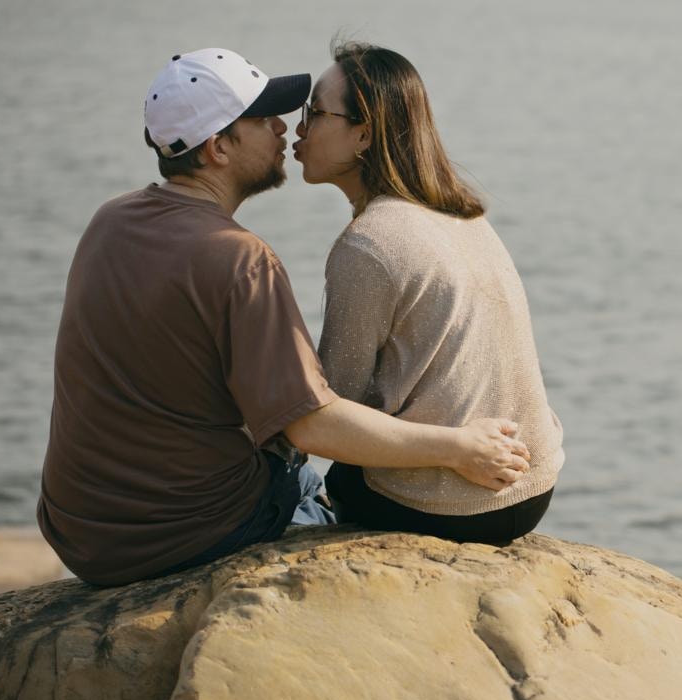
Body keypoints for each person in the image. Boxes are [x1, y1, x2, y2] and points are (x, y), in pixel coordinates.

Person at [37, 48, 530, 587]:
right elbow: (312, 424)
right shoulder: (239, 258)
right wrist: (459, 447)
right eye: (262, 118)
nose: (283, 128)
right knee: (299, 475)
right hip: (182, 536)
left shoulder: (110, 219)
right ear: (218, 147)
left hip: (80, 533)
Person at [292, 42, 564, 546]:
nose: (299, 128)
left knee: (298, 483)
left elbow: (337, 407)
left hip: (446, 506)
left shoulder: (368, 245)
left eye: (315, 111)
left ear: (364, 133)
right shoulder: (463, 215)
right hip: (532, 487)